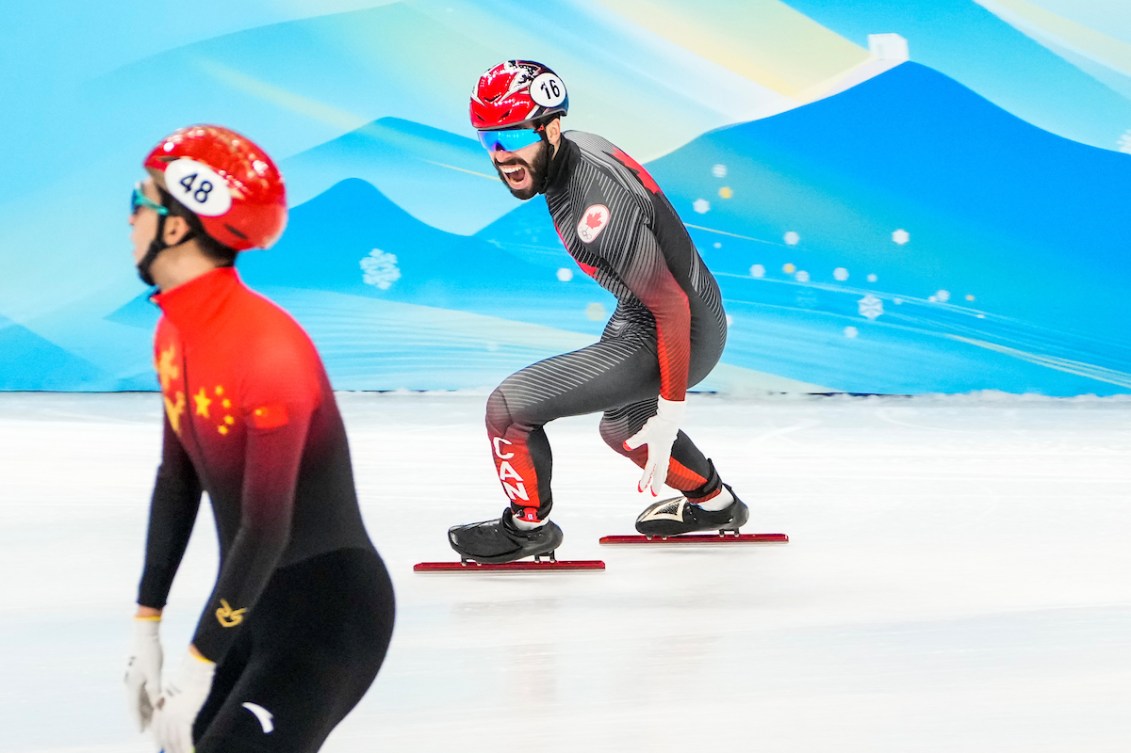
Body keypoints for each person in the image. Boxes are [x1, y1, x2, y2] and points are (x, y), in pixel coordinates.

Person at [122, 125, 395, 753]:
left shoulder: (269, 350)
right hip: (250, 608)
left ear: (176, 225)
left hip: (331, 615)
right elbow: (177, 480)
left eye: (141, 200)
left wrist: (199, 664)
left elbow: (265, 527)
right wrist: (148, 624)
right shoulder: (173, 334)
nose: (130, 218)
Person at [448, 60, 749, 564]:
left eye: (511, 137)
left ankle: (528, 528)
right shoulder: (574, 150)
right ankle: (716, 504)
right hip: (658, 312)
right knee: (624, 427)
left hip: (677, 325)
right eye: (488, 140)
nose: (500, 155)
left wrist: (671, 412)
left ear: (551, 128)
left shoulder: (594, 208)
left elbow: (670, 304)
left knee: (509, 410)